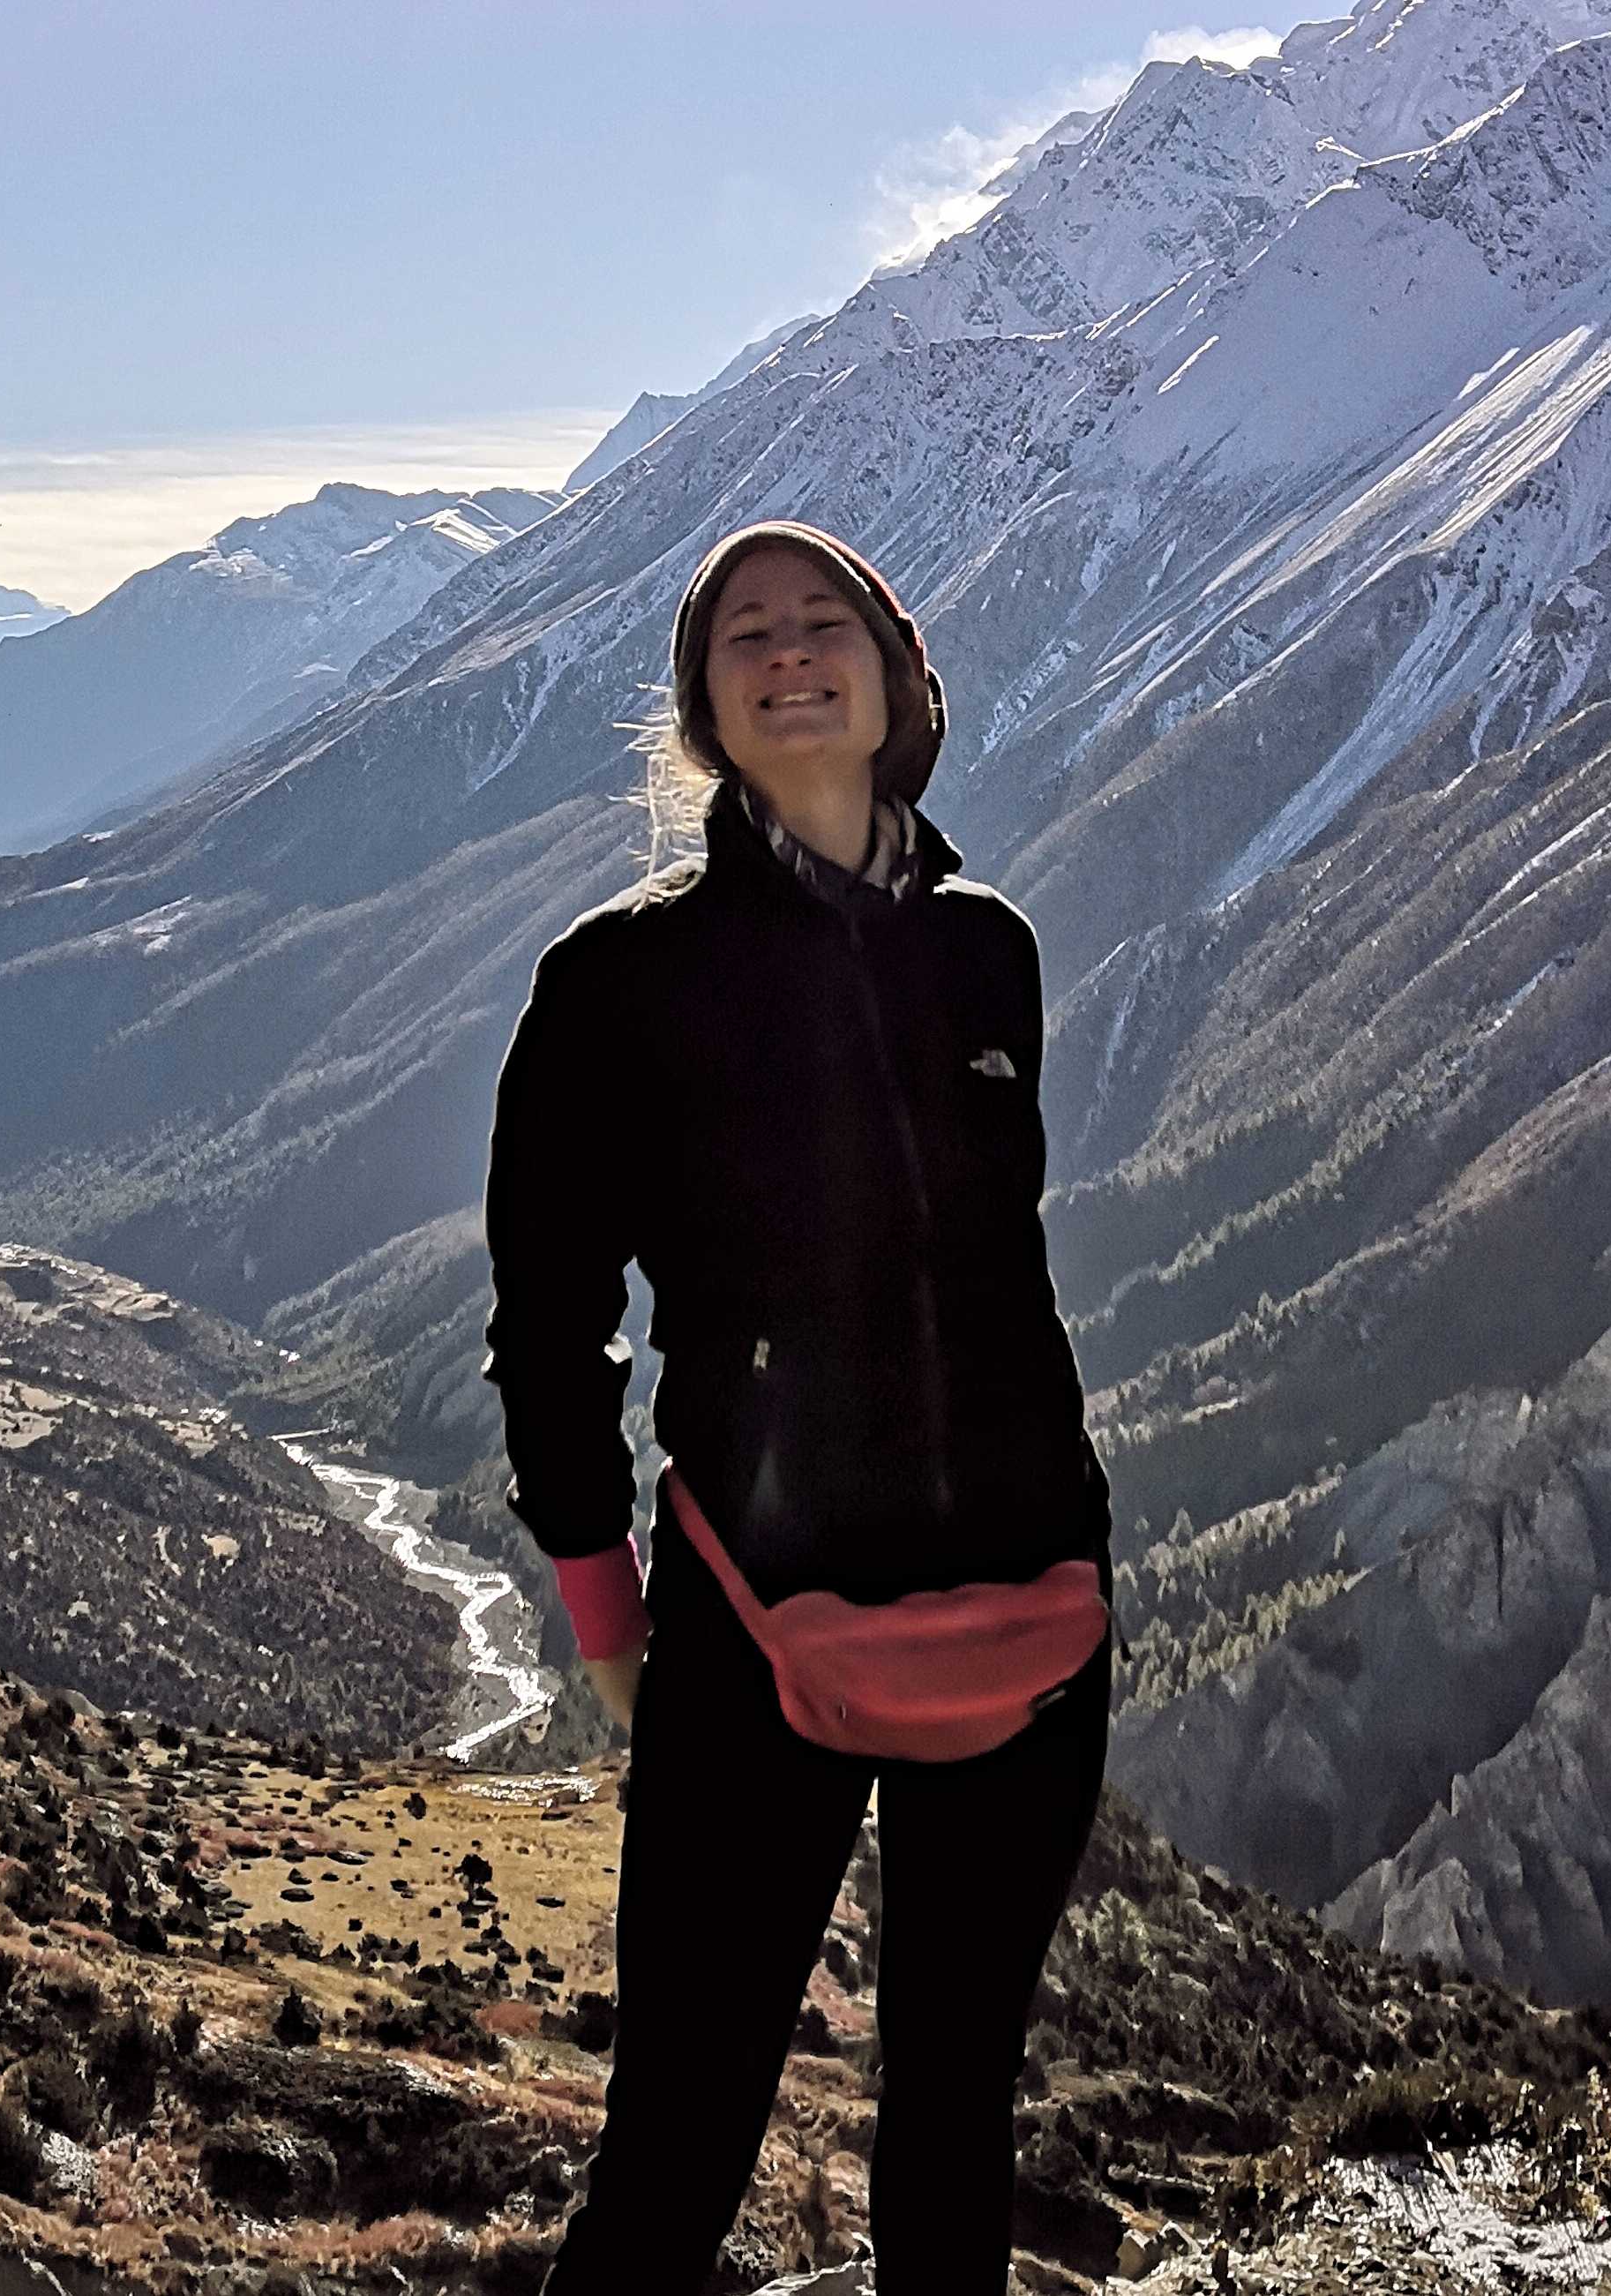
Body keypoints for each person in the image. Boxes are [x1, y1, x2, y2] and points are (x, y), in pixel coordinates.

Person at [481, 518, 1121, 2294]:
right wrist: (604, 1604)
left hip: (1028, 1608)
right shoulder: (618, 981)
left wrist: (1078, 1533)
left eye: (820, 620)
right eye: (741, 634)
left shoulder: (989, 950)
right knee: (678, 2134)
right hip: (755, 1623)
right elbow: (550, 1318)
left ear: (895, 672)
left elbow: (998, 1272)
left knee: (957, 2116)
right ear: (703, 708)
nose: (785, 652)